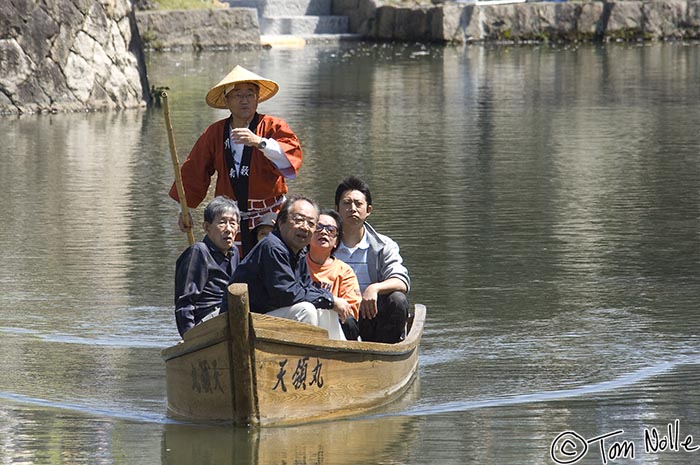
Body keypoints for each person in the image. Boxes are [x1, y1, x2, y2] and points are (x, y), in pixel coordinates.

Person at [168, 65, 302, 256]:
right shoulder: (214, 133)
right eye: (237, 95)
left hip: (267, 216)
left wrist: (260, 143)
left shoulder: (273, 126)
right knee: (229, 271)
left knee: (272, 267)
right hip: (230, 218)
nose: (244, 100)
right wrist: (184, 209)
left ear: (257, 98)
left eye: (250, 94)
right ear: (226, 100)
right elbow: (195, 170)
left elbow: (291, 159)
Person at [225, 196, 354, 340]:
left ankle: (335, 357)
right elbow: (288, 294)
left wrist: (330, 301)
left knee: (326, 310)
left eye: (311, 223)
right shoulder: (272, 247)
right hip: (244, 324)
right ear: (281, 222)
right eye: (298, 220)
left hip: (268, 319)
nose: (305, 227)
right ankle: (306, 360)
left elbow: (307, 288)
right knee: (306, 310)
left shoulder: (299, 251)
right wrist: (330, 299)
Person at [333, 176, 411, 343]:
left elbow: (401, 281)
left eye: (358, 204)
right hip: (338, 315)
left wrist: (374, 289)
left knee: (397, 300)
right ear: (337, 209)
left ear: (368, 210)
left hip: (371, 315)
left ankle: (384, 354)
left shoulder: (383, 245)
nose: (352, 208)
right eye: (346, 203)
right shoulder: (324, 244)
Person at [174, 196, 241, 338]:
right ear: (206, 227)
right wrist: (189, 337)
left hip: (228, 314)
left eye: (233, 224)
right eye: (222, 223)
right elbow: (185, 301)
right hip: (207, 321)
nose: (228, 229)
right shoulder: (199, 252)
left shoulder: (234, 253)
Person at [306, 209, 362, 340]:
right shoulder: (297, 264)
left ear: (336, 241)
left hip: (335, 327)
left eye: (330, 230)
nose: (324, 232)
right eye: (318, 227)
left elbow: (349, 311)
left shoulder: (344, 271)